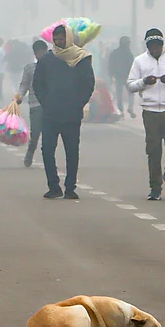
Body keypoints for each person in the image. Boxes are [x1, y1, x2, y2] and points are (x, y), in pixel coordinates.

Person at [32, 24, 95, 200]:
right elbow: (38, 84)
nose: (59, 42)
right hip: (50, 113)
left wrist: (77, 104)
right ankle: (53, 186)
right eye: (56, 39)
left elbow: (88, 84)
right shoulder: (46, 60)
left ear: (68, 38)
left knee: (72, 152)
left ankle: (70, 187)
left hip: (72, 114)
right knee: (47, 150)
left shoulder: (81, 58)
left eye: (61, 39)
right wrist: (46, 102)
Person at [127, 28, 165, 201]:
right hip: (150, 110)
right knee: (153, 151)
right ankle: (155, 187)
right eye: (152, 46)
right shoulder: (140, 61)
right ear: (147, 46)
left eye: (158, 46)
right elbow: (131, 85)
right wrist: (144, 82)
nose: (155, 49)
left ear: (162, 45)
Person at [15, 40, 49, 168]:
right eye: (39, 53)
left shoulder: (53, 67)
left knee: (49, 135)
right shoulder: (30, 68)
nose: (42, 55)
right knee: (35, 133)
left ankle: (48, 159)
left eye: (44, 53)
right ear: (35, 54)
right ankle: (30, 152)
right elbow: (24, 84)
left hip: (50, 105)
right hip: (35, 105)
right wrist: (19, 96)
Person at [109, 36, 136, 118]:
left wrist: (111, 75)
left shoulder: (115, 52)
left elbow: (111, 64)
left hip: (118, 76)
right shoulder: (129, 53)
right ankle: (130, 107)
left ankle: (121, 110)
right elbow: (133, 66)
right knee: (131, 93)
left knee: (119, 94)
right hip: (127, 76)